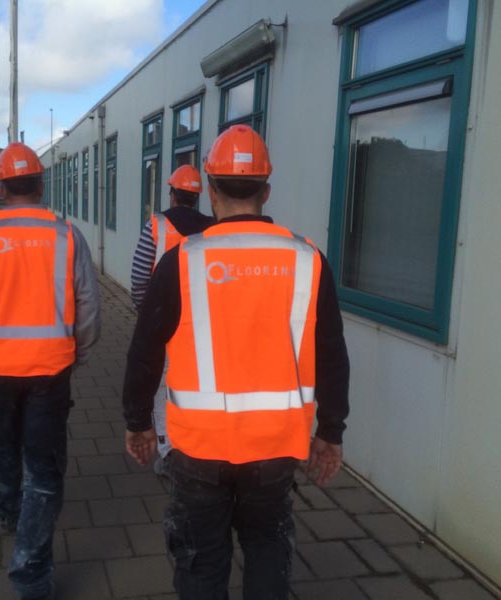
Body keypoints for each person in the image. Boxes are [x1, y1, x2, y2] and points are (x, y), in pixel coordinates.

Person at [122, 124, 350, 600]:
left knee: (202, 562)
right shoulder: (309, 260)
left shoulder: (181, 261)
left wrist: (138, 422)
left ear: (210, 189)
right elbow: (331, 352)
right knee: (267, 546)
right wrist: (330, 432)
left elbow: (145, 351)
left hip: (198, 449)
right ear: (266, 191)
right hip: (275, 447)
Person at [0, 141, 101, 600]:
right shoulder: (66, 235)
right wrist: (78, 351)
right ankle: (32, 575)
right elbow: (89, 306)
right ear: (40, 184)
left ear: (1, 187)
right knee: (43, 464)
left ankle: (8, 511)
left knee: (3, 441)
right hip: (51, 369)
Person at [130, 164, 214, 473]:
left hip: (164, 320)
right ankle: (199, 442)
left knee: (162, 386)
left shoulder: (156, 225)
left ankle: (168, 453)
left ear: (172, 193)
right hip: (202, 321)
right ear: (198, 196)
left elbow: (139, 278)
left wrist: (146, 315)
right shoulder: (213, 227)